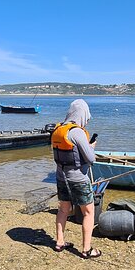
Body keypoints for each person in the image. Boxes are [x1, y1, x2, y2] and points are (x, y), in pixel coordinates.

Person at [51, 99, 101, 259]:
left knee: (63, 209)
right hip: (78, 179)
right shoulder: (77, 132)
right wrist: (91, 147)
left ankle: (59, 242)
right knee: (88, 213)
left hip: (61, 177)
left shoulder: (58, 130)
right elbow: (91, 159)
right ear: (83, 114)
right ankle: (86, 249)